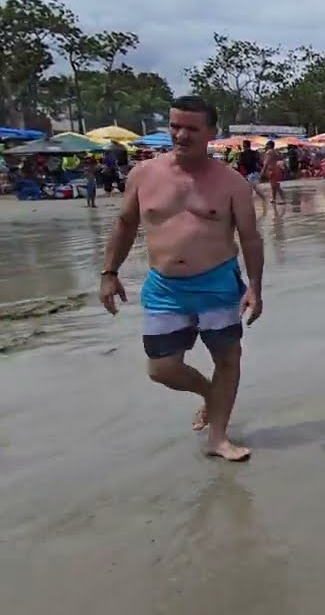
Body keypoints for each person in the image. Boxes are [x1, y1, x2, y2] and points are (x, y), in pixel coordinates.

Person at [99, 95, 264, 462]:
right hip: (165, 286)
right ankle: (209, 394)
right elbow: (125, 224)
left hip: (218, 284)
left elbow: (251, 238)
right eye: (175, 126)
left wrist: (255, 286)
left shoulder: (232, 182)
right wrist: (109, 272)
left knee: (228, 359)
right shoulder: (144, 174)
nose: (181, 134)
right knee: (162, 368)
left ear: (211, 132)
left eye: (191, 128)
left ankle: (218, 438)